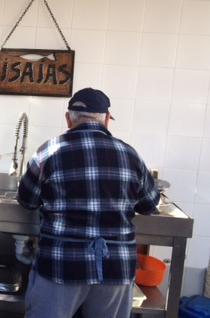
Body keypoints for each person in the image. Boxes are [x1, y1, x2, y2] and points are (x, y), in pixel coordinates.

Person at [17, 87, 160, 318]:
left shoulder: (48, 151)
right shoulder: (130, 155)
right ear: (106, 120)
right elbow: (150, 205)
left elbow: (26, 200)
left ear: (68, 119)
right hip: (115, 267)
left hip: (61, 265)